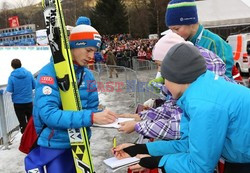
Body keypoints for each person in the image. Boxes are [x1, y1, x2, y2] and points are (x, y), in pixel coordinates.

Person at [113, 43, 250, 173]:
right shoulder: (200, 89)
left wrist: (155, 162)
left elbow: (199, 167)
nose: (165, 85)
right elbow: (188, 144)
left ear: (176, 77)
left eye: (165, 78)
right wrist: (138, 149)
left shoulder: (203, 105)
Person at [25, 23, 117, 173]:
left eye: (94, 52)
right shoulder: (49, 73)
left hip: (80, 144)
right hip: (55, 145)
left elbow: (91, 110)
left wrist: (109, 117)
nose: (92, 57)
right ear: (74, 46)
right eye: (88, 50)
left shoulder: (87, 75)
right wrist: (92, 117)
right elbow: (48, 115)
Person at [118, 31, 234, 140]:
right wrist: (141, 117)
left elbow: (181, 125)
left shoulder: (200, 88)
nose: (160, 71)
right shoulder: (190, 79)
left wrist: (139, 126)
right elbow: (171, 108)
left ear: (175, 61)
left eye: (161, 65)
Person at [165, 0, 234, 79]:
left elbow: (225, 77)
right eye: (171, 30)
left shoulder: (214, 42)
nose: (174, 33)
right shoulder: (180, 41)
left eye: (176, 29)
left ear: (191, 22)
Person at [1, 59, 35, 134]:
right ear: (21, 64)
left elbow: (9, 91)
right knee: (31, 120)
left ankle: (25, 138)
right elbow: (34, 86)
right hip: (29, 101)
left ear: (12, 66)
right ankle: (32, 138)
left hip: (18, 103)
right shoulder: (29, 74)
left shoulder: (12, 77)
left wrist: (3, 92)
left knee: (22, 122)